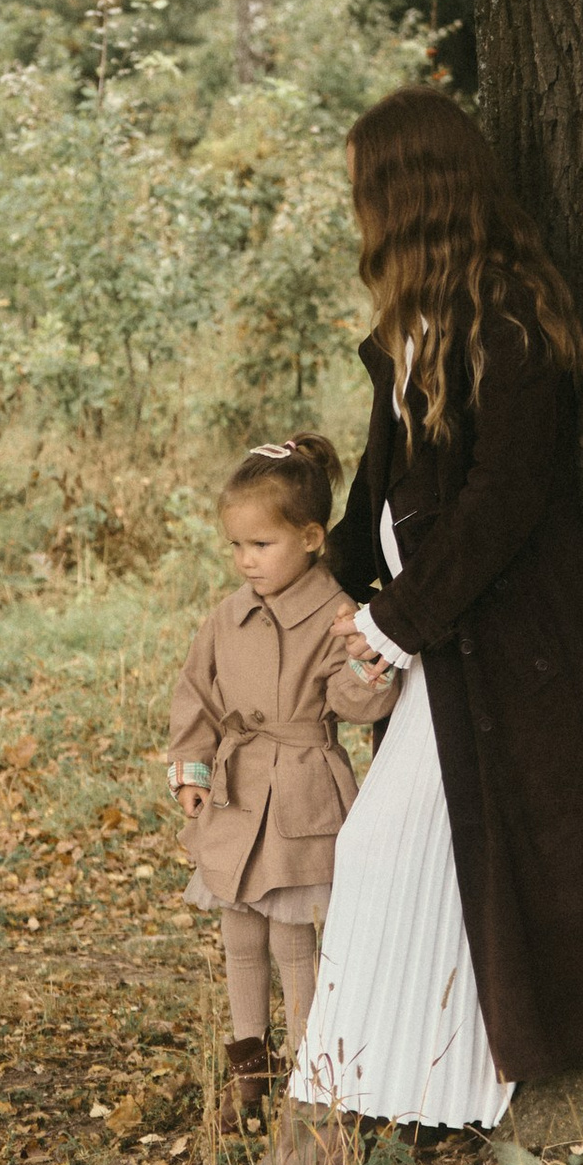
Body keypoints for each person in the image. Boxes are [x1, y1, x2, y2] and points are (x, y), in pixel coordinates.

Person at [276, 84, 583, 1165]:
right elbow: (385, 491)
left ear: (408, 194)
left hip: (502, 644)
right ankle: (417, 1102)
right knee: (429, 856)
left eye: (365, 191)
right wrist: (309, 579)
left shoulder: (513, 319)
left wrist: (394, 624)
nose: (356, 212)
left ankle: (328, 1127)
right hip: (436, 633)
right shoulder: (409, 330)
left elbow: (503, 502)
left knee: (386, 848)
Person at [166, 436, 398, 1128]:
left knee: (292, 934)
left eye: (261, 545)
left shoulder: (335, 616)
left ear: (310, 537)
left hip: (300, 791)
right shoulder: (227, 617)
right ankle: (249, 1070)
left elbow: (359, 705)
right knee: (239, 925)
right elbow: (196, 697)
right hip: (239, 794)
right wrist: (193, 772)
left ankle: (309, 1070)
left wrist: (368, 660)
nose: (245, 560)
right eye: (236, 546)